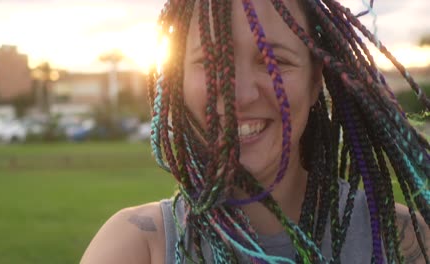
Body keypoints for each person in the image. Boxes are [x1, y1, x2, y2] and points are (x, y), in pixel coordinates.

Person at [81, 0, 430, 263]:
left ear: (314, 84)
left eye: (274, 62)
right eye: (213, 62)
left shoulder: (403, 240)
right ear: (178, 81)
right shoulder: (136, 247)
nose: (241, 95)